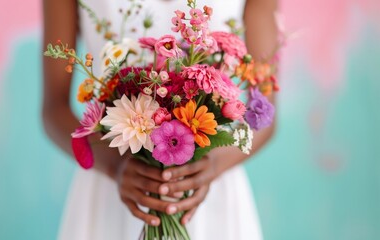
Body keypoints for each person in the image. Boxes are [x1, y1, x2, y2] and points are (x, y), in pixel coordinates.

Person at [42, 0, 277, 239]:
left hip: (211, 195)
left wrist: (211, 167)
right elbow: (54, 109)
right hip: (111, 184)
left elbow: (266, 113)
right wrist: (115, 166)